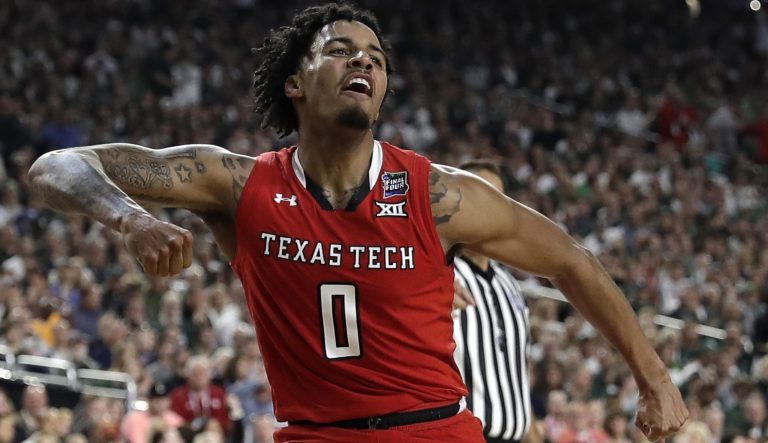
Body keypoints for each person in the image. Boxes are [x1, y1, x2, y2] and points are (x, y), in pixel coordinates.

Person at [29, 3, 687, 442]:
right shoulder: (236, 183)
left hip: (434, 430)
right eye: (341, 50)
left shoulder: (436, 195)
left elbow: (569, 257)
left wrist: (655, 378)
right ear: (295, 82)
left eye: (374, 56)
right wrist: (130, 218)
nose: (364, 62)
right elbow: (56, 165)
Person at [451, 160, 540, 443]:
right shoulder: (438, 272)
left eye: (499, 199)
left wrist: (531, 428)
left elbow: (517, 369)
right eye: (481, 195)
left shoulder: (510, 285)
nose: (491, 207)